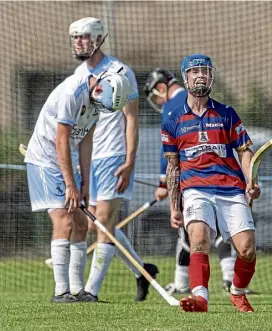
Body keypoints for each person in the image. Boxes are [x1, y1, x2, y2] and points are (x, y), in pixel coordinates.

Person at [68, 17, 158, 302]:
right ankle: (143, 271)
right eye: (75, 37)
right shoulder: (78, 74)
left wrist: (130, 160)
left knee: (105, 222)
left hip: (114, 155)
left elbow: (132, 118)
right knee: (97, 225)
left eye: (83, 37)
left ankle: (91, 291)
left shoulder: (120, 71)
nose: (78, 42)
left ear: (97, 39)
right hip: (90, 158)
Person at [161, 54, 260, 313]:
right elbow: (173, 166)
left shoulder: (227, 113)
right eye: (194, 72)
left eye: (205, 71)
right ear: (185, 78)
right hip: (195, 189)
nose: (200, 75)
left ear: (212, 76)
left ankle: (237, 293)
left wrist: (251, 181)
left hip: (230, 188)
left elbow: (245, 151)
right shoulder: (172, 117)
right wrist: (174, 206)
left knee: (247, 249)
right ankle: (200, 298)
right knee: (198, 238)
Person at [25, 71, 130, 303]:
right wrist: (70, 185)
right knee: (65, 219)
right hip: (44, 159)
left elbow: (85, 141)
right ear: (99, 89)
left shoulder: (98, 102)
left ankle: (78, 289)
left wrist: (84, 183)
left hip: (66, 160)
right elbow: (61, 140)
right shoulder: (73, 92)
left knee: (82, 223)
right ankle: (60, 291)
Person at [144, 68, 237, 294]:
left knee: (188, 232)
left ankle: (183, 283)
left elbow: (167, 152)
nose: (158, 101)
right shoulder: (202, 101)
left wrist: (163, 184)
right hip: (220, 175)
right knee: (220, 229)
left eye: (156, 95)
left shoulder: (170, 108)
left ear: (161, 88)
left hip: (191, 179)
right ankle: (229, 279)